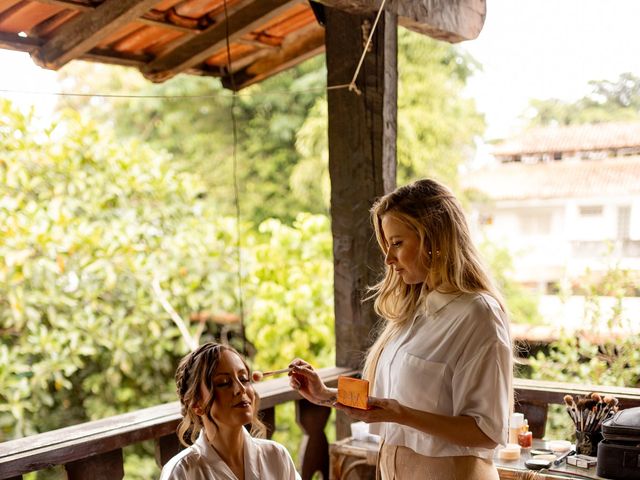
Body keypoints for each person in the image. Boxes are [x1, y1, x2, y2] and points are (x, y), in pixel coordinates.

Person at [289, 178, 512, 480]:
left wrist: (401, 414)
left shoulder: (478, 314)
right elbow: (386, 404)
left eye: (397, 243)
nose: (388, 258)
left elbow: (487, 432)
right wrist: (326, 395)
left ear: (433, 239)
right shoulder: (414, 309)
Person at [160, 342, 301, 480]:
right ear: (197, 404)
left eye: (244, 379)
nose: (241, 389)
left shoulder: (276, 457)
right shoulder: (181, 473)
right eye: (224, 383)